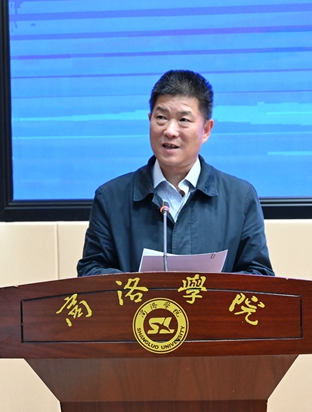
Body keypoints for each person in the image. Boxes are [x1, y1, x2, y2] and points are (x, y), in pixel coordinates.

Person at [77, 70, 274, 276]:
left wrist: (210, 290)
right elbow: (91, 271)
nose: (170, 131)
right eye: (161, 117)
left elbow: (259, 274)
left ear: (206, 130)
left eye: (184, 120)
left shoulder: (239, 197)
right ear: (150, 120)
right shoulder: (111, 198)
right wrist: (144, 287)